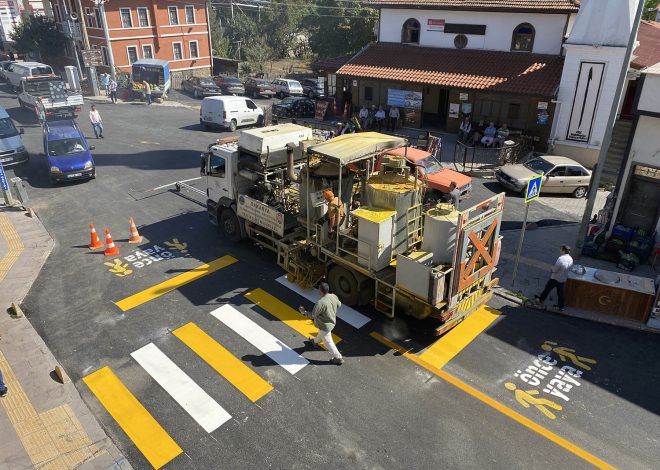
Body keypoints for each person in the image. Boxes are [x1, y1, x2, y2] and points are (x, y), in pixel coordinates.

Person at [298, 282, 343, 365]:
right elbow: (339, 304)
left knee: (327, 342)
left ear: (320, 291)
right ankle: (315, 342)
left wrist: (303, 311)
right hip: (332, 322)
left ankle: (338, 357)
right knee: (321, 333)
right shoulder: (333, 296)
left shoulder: (320, 303)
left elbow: (312, 315)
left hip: (324, 326)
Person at [535, 245, 573, 311]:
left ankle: (541, 300)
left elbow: (555, 269)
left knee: (547, 289)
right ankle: (560, 306)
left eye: (561, 249)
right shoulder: (571, 259)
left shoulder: (561, 259)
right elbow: (570, 269)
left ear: (563, 251)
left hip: (555, 278)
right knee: (560, 293)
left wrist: (551, 268)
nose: (560, 250)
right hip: (563, 279)